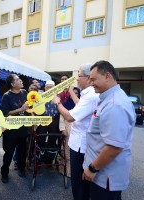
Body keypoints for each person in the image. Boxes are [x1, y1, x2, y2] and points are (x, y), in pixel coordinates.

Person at [82, 60, 136, 200]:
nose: (91, 83)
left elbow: (114, 147)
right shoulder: (109, 99)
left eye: (93, 79)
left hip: (104, 176)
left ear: (107, 76)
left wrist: (92, 168)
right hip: (102, 172)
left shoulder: (114, 105)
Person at [52, 64, 99, 200]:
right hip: (81, 143)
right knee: (82, 181)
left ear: (89, 78)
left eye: (79, 76)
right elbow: (80, 105)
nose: (76, 79)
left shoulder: (90, 96)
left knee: (78, 181)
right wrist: (72, 91)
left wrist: (57, 102)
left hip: (81, 145)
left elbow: (69, 117)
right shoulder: (89, 94)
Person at [0, 74, 29, 183]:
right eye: (17, 79)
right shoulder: (6, 96)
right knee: (9, 153)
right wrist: (20, 109)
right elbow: (5, 113)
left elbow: (29, 107)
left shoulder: (25, 92)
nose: (21, 80)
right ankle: (4, 173)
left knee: (22, 151)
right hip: (10, 130)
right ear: (12, 84)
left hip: (23, 128)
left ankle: (21, 168)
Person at [58, 87, 81, 177]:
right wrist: (63, 129)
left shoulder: (81, 105)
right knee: (66, 151)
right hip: (68, 129)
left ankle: (74, 172)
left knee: (77, 152)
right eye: (72, 93)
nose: (74, 95)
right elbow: (61, 118)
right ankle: (65, 171)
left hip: (78, 130)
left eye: (76, 93)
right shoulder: (65, 104)